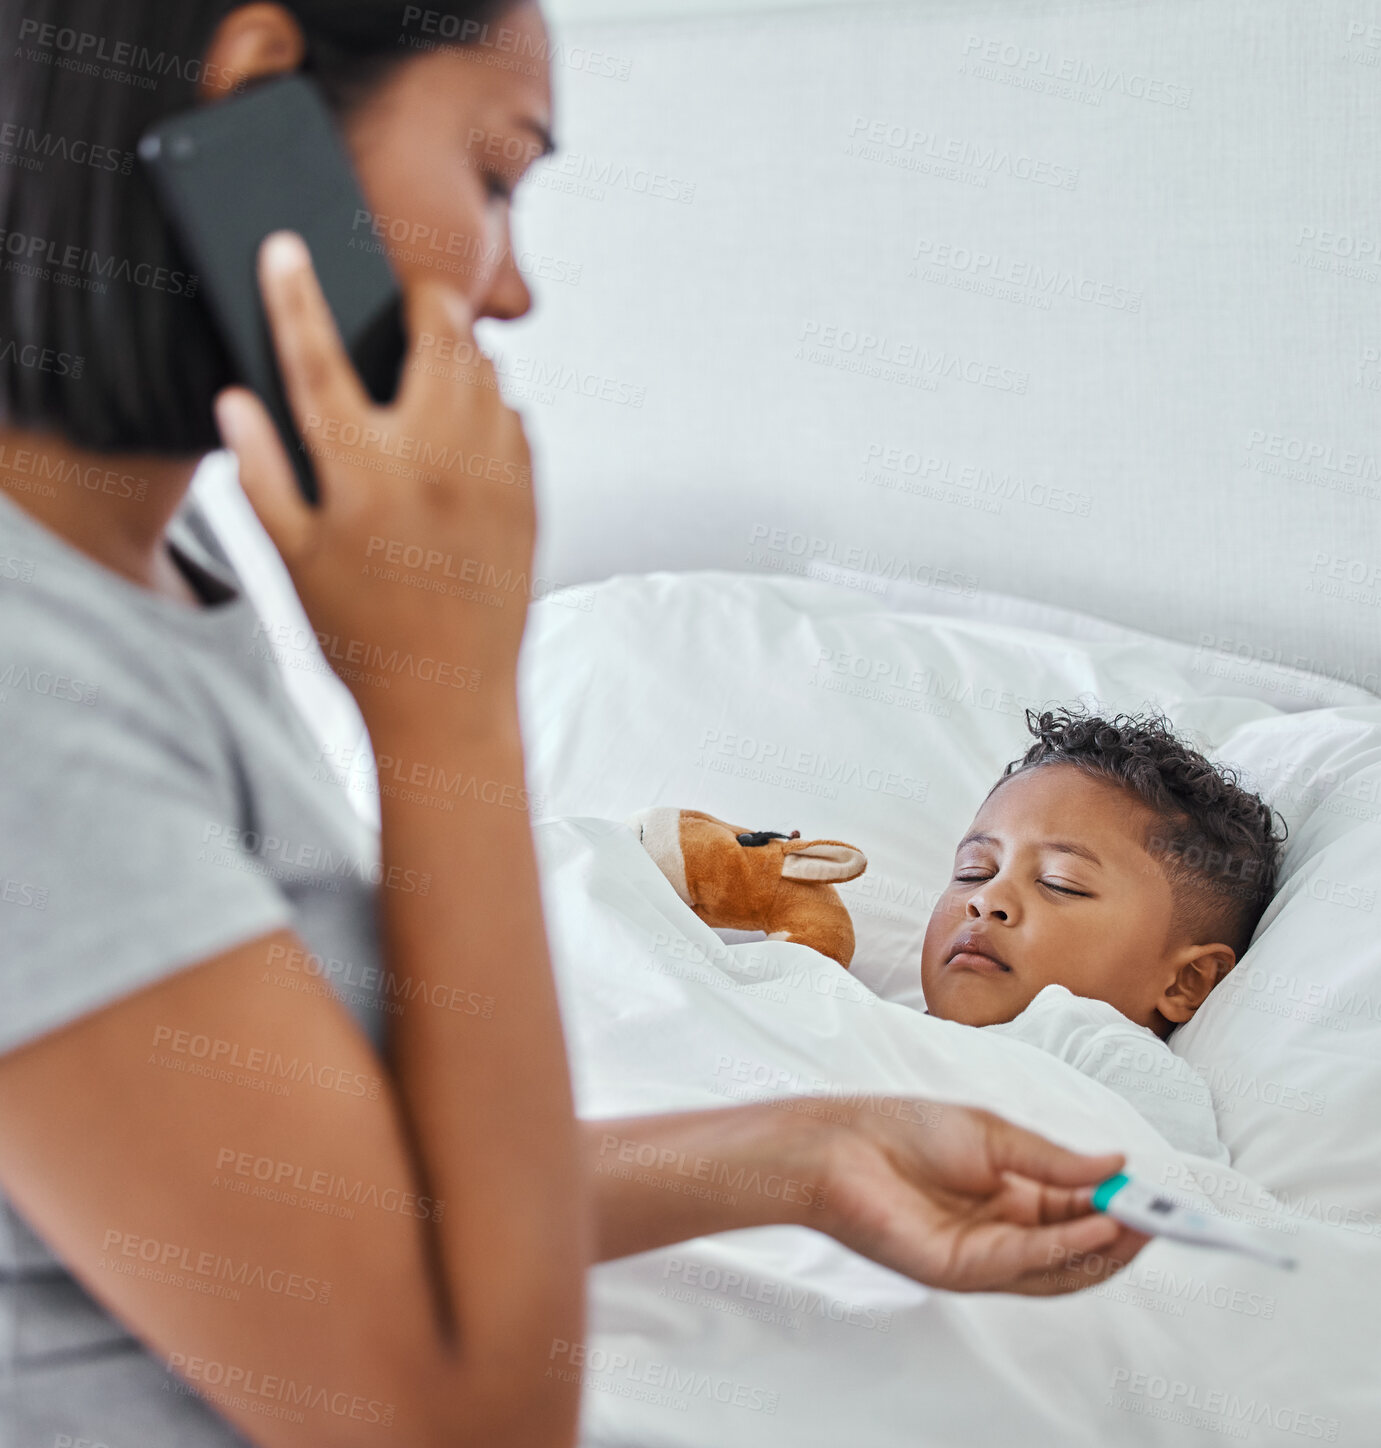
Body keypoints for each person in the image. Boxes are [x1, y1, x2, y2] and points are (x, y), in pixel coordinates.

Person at [0, 4, 1146, 1445]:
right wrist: (448, 704)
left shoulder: (156, 585)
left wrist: (802, 1151)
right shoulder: (30, 682)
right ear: (257, 114)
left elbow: (296, 1208)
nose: (515, 286)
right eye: (495, 174)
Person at [922, 706, 1287, 1159]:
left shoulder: (1106, 1054)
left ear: (1185, 980)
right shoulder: (871, 1013)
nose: (986, 899)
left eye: (1060, 884)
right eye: (974, 872)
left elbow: (1165, 1203)